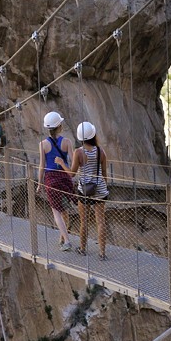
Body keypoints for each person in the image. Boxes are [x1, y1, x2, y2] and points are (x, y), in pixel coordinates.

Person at [64, 121, 109, 259]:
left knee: (84, 221)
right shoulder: (101, 152)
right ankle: (102, 253)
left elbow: (72, 174)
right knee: (100, 221)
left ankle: (83, 249)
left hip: (84, 190)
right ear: (93, 134)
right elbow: (105, 174)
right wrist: (102, 187)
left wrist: (61, 163)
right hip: (99, 188)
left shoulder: (78, 152)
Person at [36, 111, 75, 251]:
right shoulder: (67, 142)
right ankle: (63, 237)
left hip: (51, 179)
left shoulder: (42, 144)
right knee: (64, 210)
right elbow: (73, 162)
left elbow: (42, 165)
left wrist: (40, 183)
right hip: (65, 179)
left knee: (56, 211)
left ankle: (67, 241)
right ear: (59, 126)